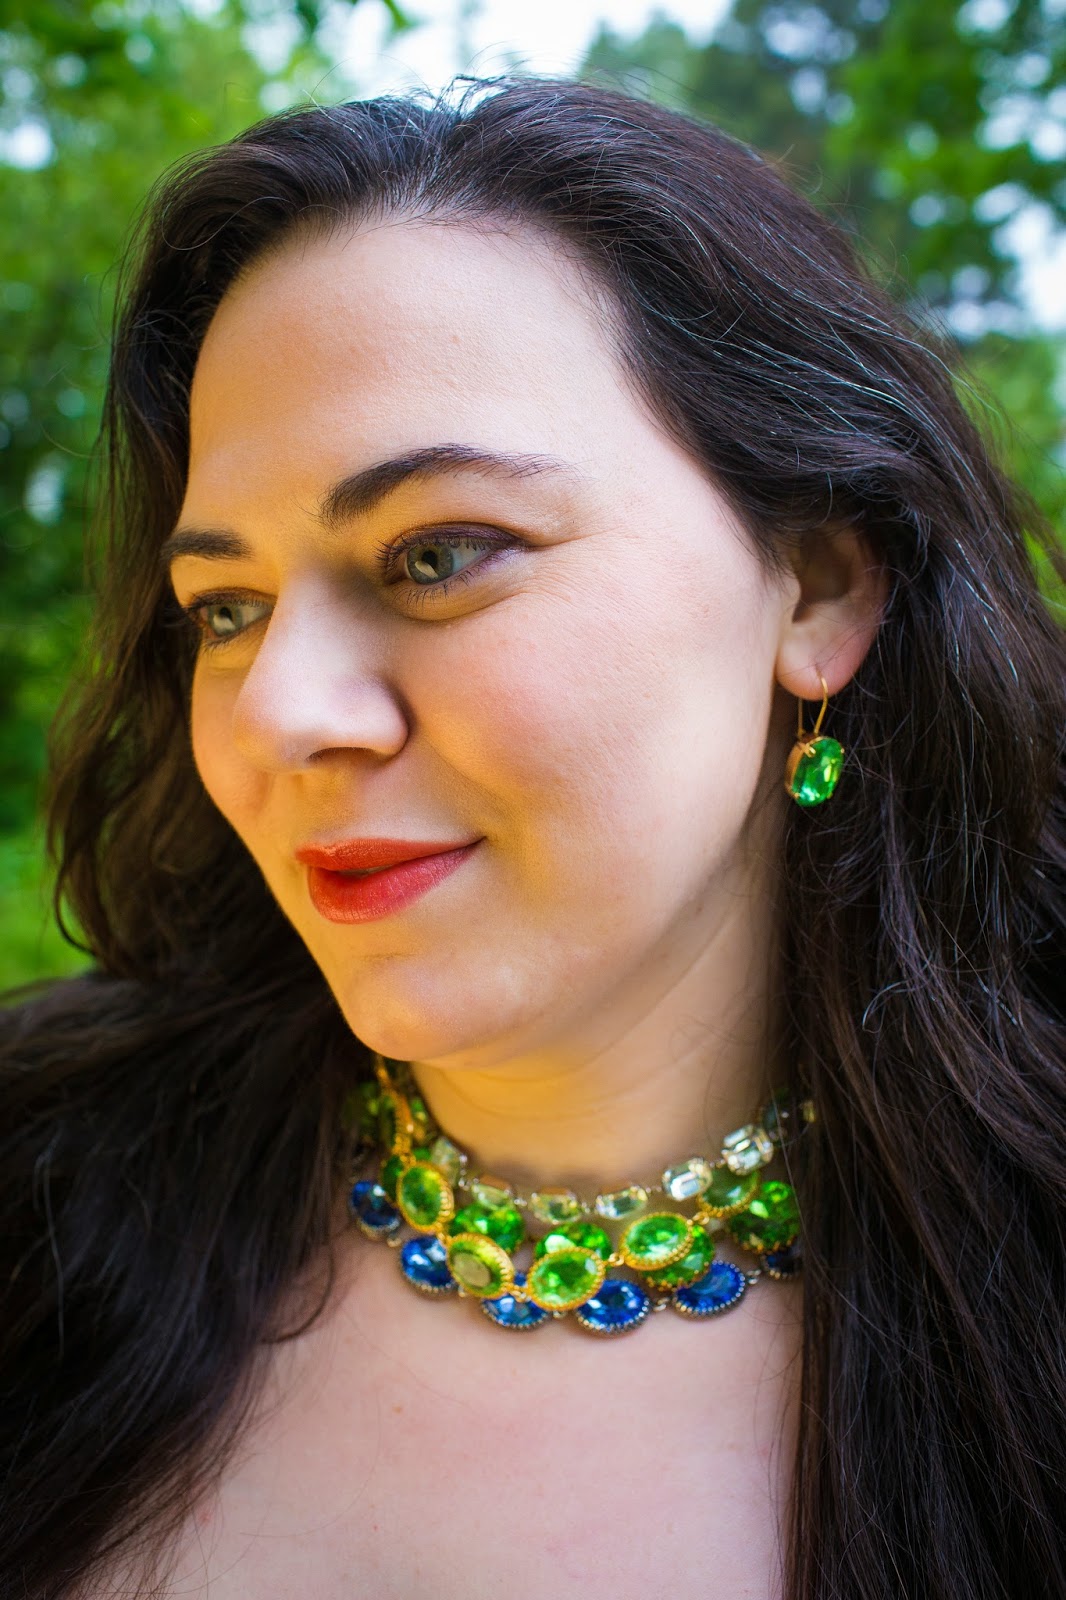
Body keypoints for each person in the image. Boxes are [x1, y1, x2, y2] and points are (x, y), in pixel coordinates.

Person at [2, 71, 1063, 1600]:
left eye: (437, 554)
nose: (280, 710)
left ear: (819, 585)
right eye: (224, 609)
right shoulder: (35, 1201)